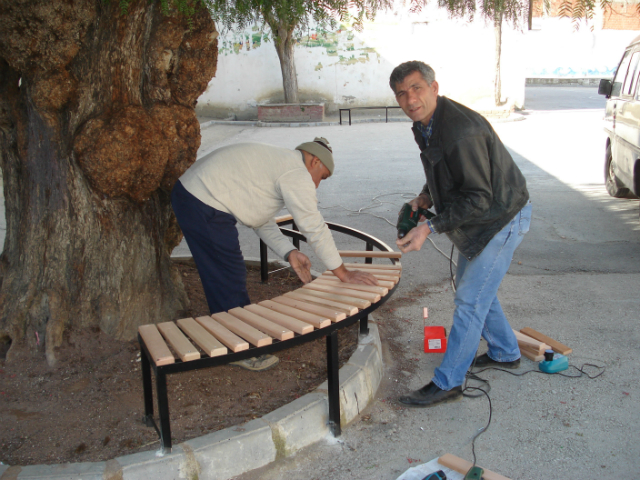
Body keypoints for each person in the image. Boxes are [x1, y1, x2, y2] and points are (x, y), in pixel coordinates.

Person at [389, 61, 532, 407]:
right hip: (485, 214)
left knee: (470, 299)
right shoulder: (426, 124)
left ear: (434, 88)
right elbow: (442, 167)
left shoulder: (459, 130)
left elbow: (479, 197)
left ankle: (449, 381)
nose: (410, 99)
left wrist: (429, 226)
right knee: (477, 289)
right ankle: (504, 351)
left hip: (501, 216)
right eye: (402, 94)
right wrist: (426, 195)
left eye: (417, 88)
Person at [171, 137, 378, 370]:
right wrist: (343, 273)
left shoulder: (279, 165)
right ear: (314, 161)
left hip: (192, 194)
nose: (318, 185)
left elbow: (261, 220)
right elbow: (313, 226)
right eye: (322, 176)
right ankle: (237, 347)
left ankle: (233, 334)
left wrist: (289, 251)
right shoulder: (296, 172)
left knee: (223, 270)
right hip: (201, 199)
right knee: (227, 272)